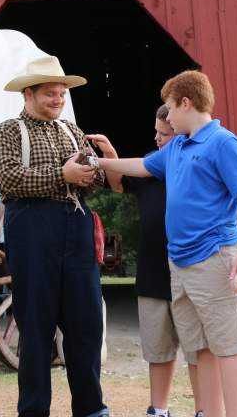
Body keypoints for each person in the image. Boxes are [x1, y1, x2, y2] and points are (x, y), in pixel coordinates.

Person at [94, 70, 237, 417]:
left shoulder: (223, 143)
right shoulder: (179, 147)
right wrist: (99, 161)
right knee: (201, 350)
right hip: (179, 265)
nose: (167, 117)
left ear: (186, 103)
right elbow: (140, 166)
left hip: (215, 260)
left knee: (228, 349)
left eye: (170, 108)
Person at [0, 55, 109, 417]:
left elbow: (96, 178)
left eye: (61, 94)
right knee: (36, 327)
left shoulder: (72, 130)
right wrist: (63, 175)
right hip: (33, 230)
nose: (58, 100)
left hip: (76, 226)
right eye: (50, 94)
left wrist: (91, 174)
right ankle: (34, 410)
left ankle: (91, 409)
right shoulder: (9, 131)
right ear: (29, 94)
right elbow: (8, 178)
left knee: (86, 325)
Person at [88, 105, 204, 417]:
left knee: (197, 351)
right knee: (158, 350)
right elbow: (116, 183)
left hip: (192, 271)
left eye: (164, 133)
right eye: (156, 131)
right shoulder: (150, 167)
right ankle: (159, 410)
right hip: (153, 272)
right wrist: (110, 154)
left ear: (181, 132)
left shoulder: (199, 165)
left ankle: (204, 410)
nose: (157, 137)